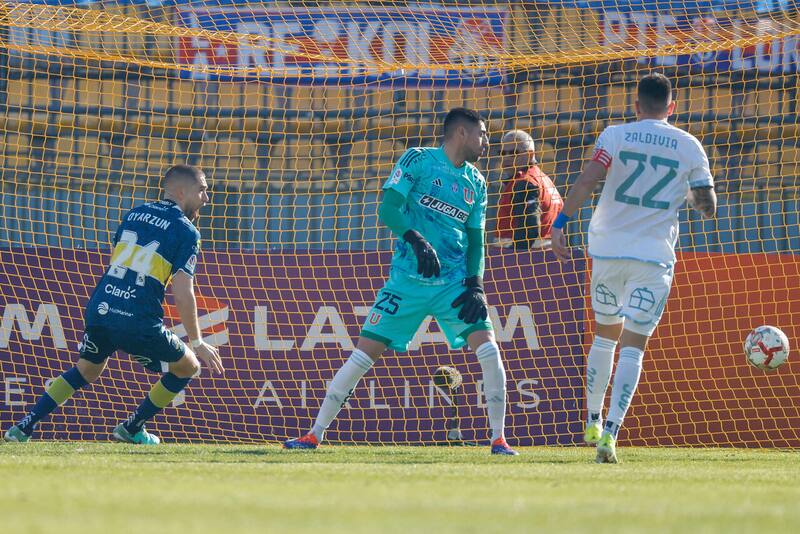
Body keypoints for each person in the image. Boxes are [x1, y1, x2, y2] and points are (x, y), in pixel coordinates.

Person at [284, 107, 518, 455]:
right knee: (363, 356)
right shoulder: (418, 161)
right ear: (462, 134)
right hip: (407, 281)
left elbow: (476, 240)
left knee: (489, 350)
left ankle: (498, 439)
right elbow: (388, 209)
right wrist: (416, 239)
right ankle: (314, 434)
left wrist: (476, 284)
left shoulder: (477, 183)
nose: (487, 141)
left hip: (453, 284)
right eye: (483, 134)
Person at [551, 73, 716, 463]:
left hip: (607, 251)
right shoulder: (690, 146)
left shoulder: (615, 135)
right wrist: (689, 193)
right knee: (633, 348)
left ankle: (591, 417)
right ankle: (611, 432)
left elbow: (591, 177)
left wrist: (561, 222)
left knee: (605, 336)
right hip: (653, 258)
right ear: (671, 107)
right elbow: (708, 206)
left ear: (636, 105)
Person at [4, 165, 224, 445]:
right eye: (202, 189)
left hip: (102, 306)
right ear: (182, 191)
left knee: (87, 369)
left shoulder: (134, 214)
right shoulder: (186, 231)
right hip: (138, 319)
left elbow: (116, 259)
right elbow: (183, 292)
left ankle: (23, 427)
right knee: (188, 366)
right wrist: (197, 340)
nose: (207, 197)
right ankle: (131, 428)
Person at [495, 130, 563, 249]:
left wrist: (515, 255)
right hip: (548, 256)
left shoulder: (525, 183)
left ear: (530, 155)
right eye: (502, 153)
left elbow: (529, 229)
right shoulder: (546, 181)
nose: (506, 157)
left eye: (513, 152)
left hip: (524, 259)